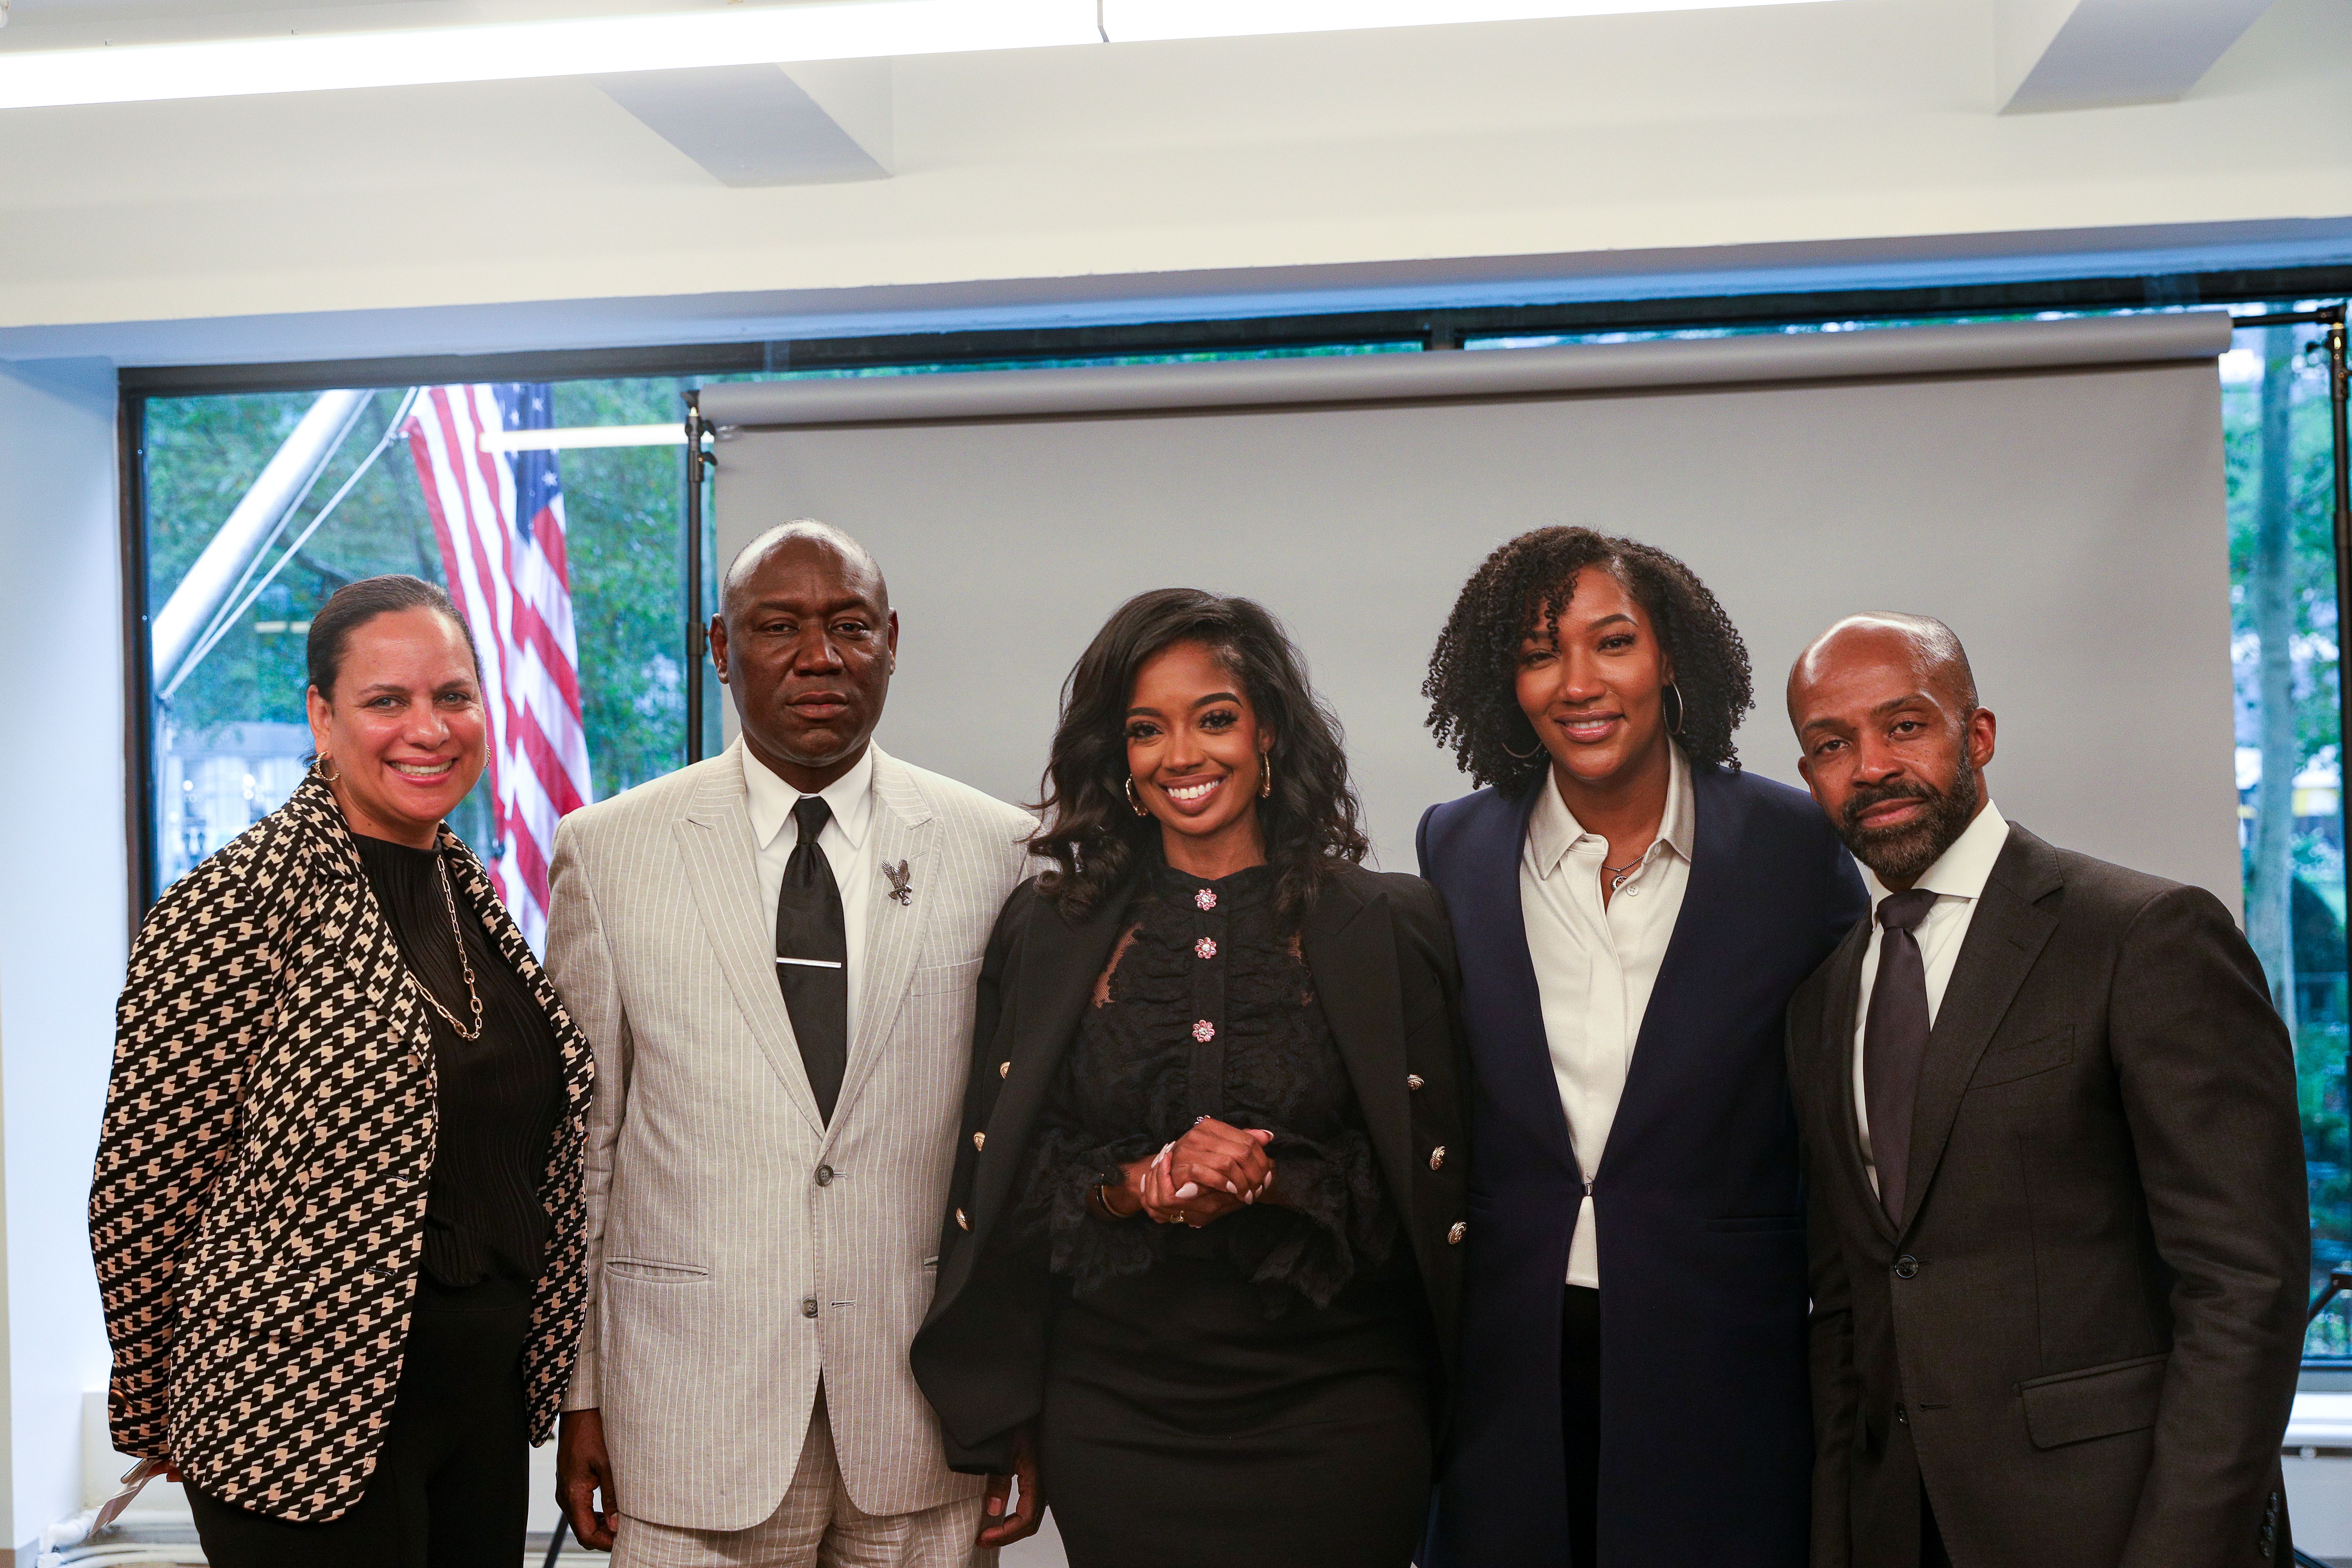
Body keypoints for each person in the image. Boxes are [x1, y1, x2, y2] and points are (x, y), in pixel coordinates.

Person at [911, 589, 1467, 1568]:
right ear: (1119, 762)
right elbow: (1005, 1180)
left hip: (1342, 1410)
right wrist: (1132, 1188)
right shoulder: (1049, 932)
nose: (1183, 755)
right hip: (1118, 1416)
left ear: (1270, 740)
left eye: (1214, 718)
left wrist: (1273, 1181)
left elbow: (1441, 1187)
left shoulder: (1392, 925)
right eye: (1146, 730)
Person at [548, 520, 1035, 1567]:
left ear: (891, 640)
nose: (820, 657)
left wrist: (1020, 1396)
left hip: (922, 1421)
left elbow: (1016, 1160)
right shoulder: (610, 852)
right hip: (685, 1422)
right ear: (719, 646)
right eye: (778, 627)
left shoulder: (1001, 852)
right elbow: (584, 1151)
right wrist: (578, 1397)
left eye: (849, 626)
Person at [91, 575, 597, 1565]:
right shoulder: (236, 904)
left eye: (453, 696)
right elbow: (143, 1196)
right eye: (386, 701)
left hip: (481, 1415)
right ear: (322, 717)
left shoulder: (465, 892)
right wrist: (162, 1416)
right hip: (297, 1419)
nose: (429, 728)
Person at [1783, 612, 2307, 1568]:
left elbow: (2246, 1286)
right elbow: (1848, 1317)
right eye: (1830, 744)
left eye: (1905, 726)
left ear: (1976, 736)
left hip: (2116, 1530)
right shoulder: (1820, 1001)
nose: (1869, 766)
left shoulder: (2145, 937)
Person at [1416, 527, 1866, 1568]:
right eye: (1540, 654)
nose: (1579, 682)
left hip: (1723, 1354)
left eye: (1612, 643)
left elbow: (1846, 1100)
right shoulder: (1457, 846)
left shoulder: (1794, 848)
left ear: (1670, 658)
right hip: (1507, 1363)